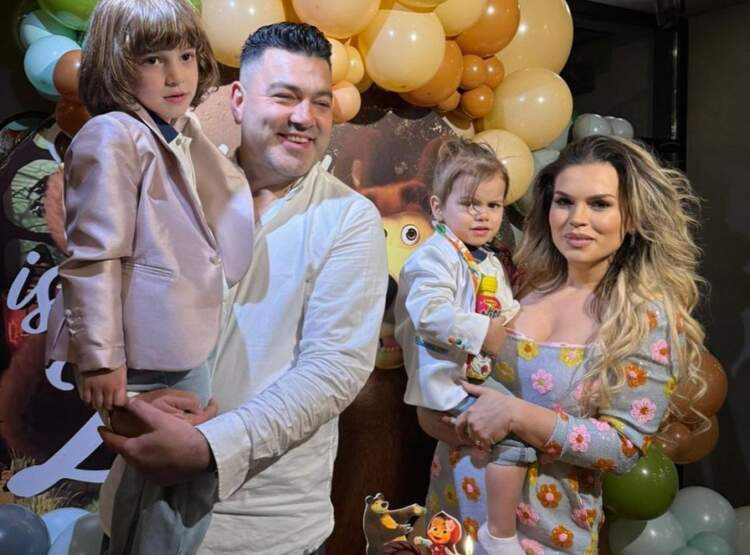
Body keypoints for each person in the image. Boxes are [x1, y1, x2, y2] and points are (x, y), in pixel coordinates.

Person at [99, 22, 388, 554]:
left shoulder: (349, 218)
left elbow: (334, 368)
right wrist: (131, 406)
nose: (304, 117)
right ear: (238, 99)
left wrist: (209, 446)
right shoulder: (172, 188)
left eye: (321, 103)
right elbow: (114, 316)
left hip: (263, 530)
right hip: (134, 509)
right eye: (285, 96)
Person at [417, 135, 705, 553]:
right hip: (450, 519)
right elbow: (448, 377)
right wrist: (434, 410)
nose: (577, 219)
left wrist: (516, 415)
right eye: (565, 202)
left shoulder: (644, 316)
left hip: (544, 538)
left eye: (599, 204)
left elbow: (624, 448)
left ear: (631, 217)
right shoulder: (519, 282)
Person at [45, 0, 254, 552]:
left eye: (185, 56)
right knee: (172, 501)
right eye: (153, 60)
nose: (177, 74)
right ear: (116, 64)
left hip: (175, 340)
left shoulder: (171, 132)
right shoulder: (114, 134)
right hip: (144, 349)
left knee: (165, 495)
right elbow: (95, 254)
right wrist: (100, 356)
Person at [395, 138, 530, 554]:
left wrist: (517, 322)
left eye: (493, 205)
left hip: (476, 378)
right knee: (515, 437)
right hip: (445, 387)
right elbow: (429, 313)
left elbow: (506, 309)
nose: (483, 214)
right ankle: (499, 534)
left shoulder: (486, 259)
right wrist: (483, 331)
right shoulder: (433, 257)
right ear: (438, 208)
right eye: (470, 203)